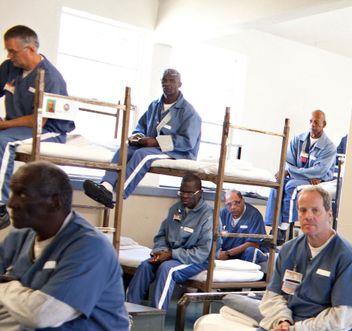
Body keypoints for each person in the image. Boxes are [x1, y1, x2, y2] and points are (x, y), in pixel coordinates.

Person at [0, 162, 131, 331]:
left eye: (22, 194)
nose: (11, 203)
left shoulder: (89, 247)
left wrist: (6, 289)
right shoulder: (20, 237)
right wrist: (18, 298)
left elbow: (43, 314)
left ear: (54, 202)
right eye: (12, 192)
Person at [240, 185, 352, 331]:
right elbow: (273, 296)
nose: (308, 216)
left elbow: (343, 316)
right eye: (303, 210)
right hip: (292, 321)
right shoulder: (290, 250)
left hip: (334, 330)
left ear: (329, 214)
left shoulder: (347, 256)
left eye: (315, 210)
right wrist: (282, 323)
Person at [83, 69, 200, 207]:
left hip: (178, 152)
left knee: (142, 154)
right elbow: (141, 126)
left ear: (179, 84)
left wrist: (155, 142)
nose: (167, 84)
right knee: (126, 148)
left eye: (171, 81)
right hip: (153, 147)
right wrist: (137, 137)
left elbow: (187, 142)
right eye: (164, 80)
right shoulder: (154, 105)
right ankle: (106, 187)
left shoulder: (189, 112)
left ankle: (116, 195)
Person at [0, 25, 73, 230]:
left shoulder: (50, 78)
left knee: (3, 142)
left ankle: (0, 206)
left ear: (31, 49)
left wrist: (4, 125)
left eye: (13, 51)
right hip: (16, 127)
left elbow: (39, 121)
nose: (9, 55)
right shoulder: (9, 68)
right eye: (8, 51)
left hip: (48, 130)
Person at [124, 175, 212, 310]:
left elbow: (202, 252)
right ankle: (127, 312)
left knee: (167, 269)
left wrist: (171, 254)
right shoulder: (176, 209)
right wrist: (161, 251)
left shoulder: (208, 216)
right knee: (145, 266)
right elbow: (161, 236)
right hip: (171, 255)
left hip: (196, 260)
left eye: (189, 193)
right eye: (182, 192)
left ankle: (156, 316)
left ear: (200, 193)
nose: (184, 196)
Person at [264, 110, 337, 227]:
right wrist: (297, 173)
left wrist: (292, 172)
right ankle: (273, 225)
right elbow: (289, 162)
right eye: (311, 121)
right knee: (277, 183)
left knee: (291, 186)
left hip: (319, 179)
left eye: (317, 122)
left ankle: (284, 227)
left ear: (324, 124)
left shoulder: (329, 147)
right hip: (307, 178)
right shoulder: (297, 140)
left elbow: (319, 171)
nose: (313, 124)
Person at [217, 190, 268, 264]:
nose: (233, 207)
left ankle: (249, 275)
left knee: (251, 251)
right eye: (229, 204)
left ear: (243, 201)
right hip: (227, 252)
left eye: (237, 203)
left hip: (245, 253)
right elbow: (214, 237)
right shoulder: (223, 213)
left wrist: (228, 253)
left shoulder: (254, 214)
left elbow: (254, 244)